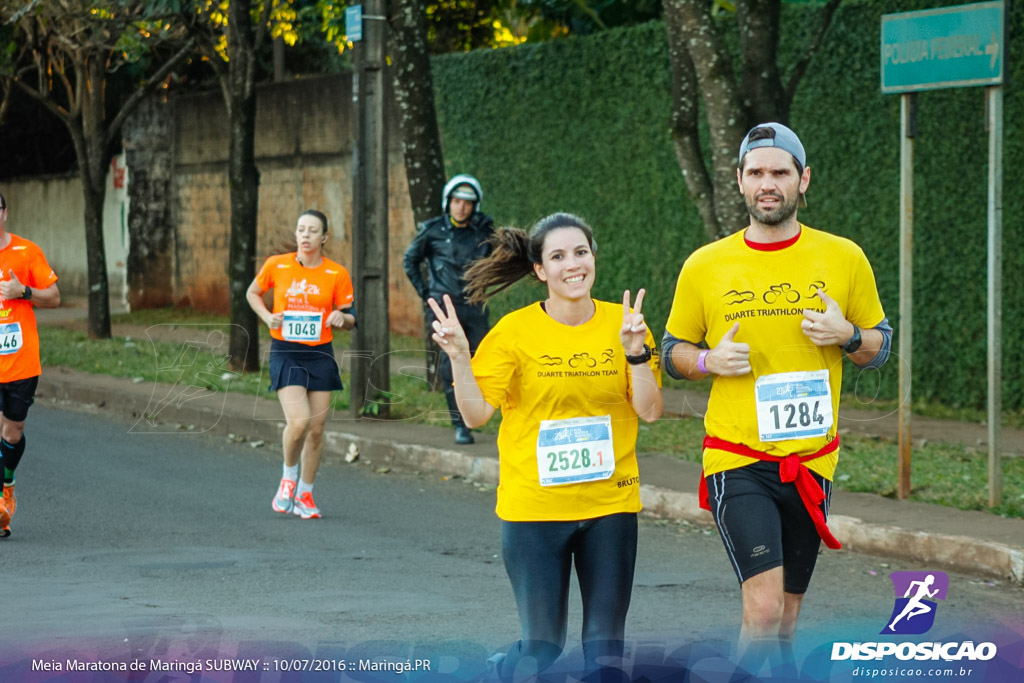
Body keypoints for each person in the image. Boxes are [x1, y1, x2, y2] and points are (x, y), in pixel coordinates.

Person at [662, 122, 892, 673]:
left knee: (786, 623)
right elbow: (671, 349)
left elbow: (881, 347)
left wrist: (849, 337)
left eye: (780, 172)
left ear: (803, 180)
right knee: (762, 614)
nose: (769, 183)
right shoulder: (705, 265)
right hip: (738, 460)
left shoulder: (844, 258)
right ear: (739, 181)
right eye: (757, 172)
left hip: (812, 462)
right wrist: (706, 360)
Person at [428, 213, 662, 680]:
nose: (572, 264)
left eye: (581, 252)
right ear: (539, 269)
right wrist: (459, 358)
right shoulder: (515, 333)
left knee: (605, 650)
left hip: (610, 504)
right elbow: (476, 415)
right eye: (558, 256)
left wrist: (635, 351)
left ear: (593, 257)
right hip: (534, 509)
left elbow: (650, 410)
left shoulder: (627, 324)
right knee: (543, 649)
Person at [246, 209, 355, 520]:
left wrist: (341, 318)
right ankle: (288, 477)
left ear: (324, 237)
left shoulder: (336, 273)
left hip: (320, 354)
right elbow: (252, 293)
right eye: (301, 230)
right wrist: (267, 316)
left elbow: (350, 317)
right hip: (286, 351)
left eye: (312, 230)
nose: (305, 235)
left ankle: (305, 494)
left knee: (317, 430)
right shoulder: (276, 265)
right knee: (299, 423)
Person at [403, 174, 495, 444]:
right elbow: (410, 260)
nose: (461, 207)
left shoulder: (483, 231)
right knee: (449, 363)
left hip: (475, 306)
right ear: (448, 202)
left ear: (474, 206)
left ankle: (479, 414)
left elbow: (498, 259)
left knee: (482, 359)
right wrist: (426, 292)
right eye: (456, 201)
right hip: (444, 308)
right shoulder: (433, 231)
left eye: (467, 203)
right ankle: (460, 424)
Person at [0, 191, 61, 538]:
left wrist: (22, 292)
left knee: (12, 433)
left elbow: (53, 297)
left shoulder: (26, 252)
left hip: (22, 364)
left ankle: (7, 483)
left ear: (5, 213)